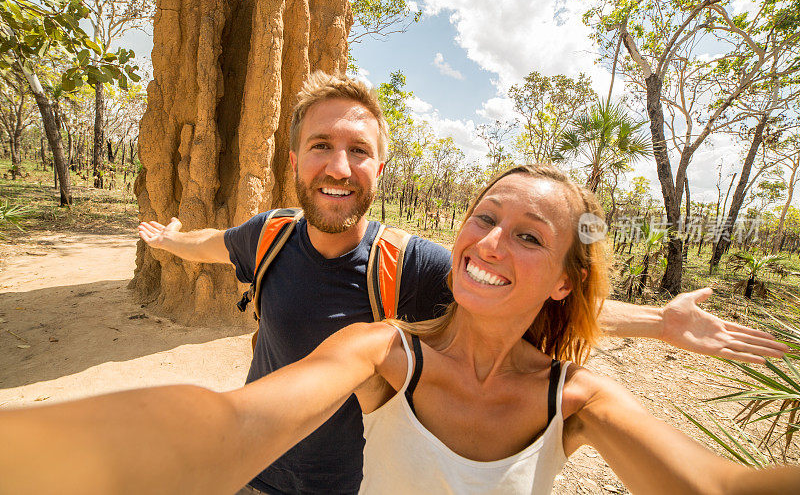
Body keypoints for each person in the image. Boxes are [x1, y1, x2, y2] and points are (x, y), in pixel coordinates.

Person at [137, 72, 787, 494]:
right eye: (321, 146)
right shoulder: (270, 233)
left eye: (359, 151)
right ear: (295, 160)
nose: (339, 166)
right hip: (259, 477)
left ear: (379, 169)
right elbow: (215, 249)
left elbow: (506, 288)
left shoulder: (409, 262)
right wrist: (170, 239)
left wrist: (657, 323)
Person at [2, 164, 798, 495]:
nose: (490, 241)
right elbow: (224, 426)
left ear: (561, 277)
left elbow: (721, 487)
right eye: (485, 217)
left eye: (528, 234)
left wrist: (659, 322)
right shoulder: (382, 349)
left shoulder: (578, 398)